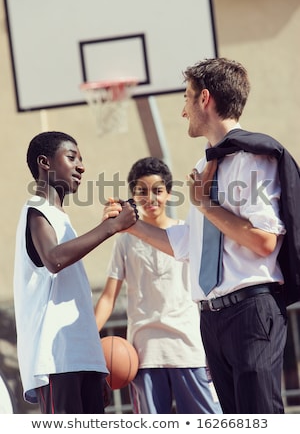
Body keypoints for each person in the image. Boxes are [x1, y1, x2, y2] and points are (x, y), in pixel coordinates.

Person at [105, 58, 300, 414]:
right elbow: (186, 244)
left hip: (251, 311)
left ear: (204, 99)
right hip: (211, 319)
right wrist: (129, 223)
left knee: (260, 419)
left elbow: (264, 241)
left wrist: (206, 206)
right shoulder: (203, 167)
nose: (183, 111)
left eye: (186, 98)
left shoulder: (254, 158)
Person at [13, 131, 138, 414]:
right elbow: (54, 259)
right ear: (44, 162)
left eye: (81, 159)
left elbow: (76, 302)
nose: (81, 166)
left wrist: (95, 362)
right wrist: (111, 228)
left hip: (82, 359)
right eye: (72, 157)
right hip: (56, 360)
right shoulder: (36, 210)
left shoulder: (63, 220)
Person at [95, 157, 222, 414]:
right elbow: (108, 298)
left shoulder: (185, 233)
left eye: (158, 191)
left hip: (188, 347)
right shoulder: (125, 241)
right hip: (144, 352)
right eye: (141, 191)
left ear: (169, 194)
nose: (150, 198)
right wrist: (86, 339)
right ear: (132, 196)